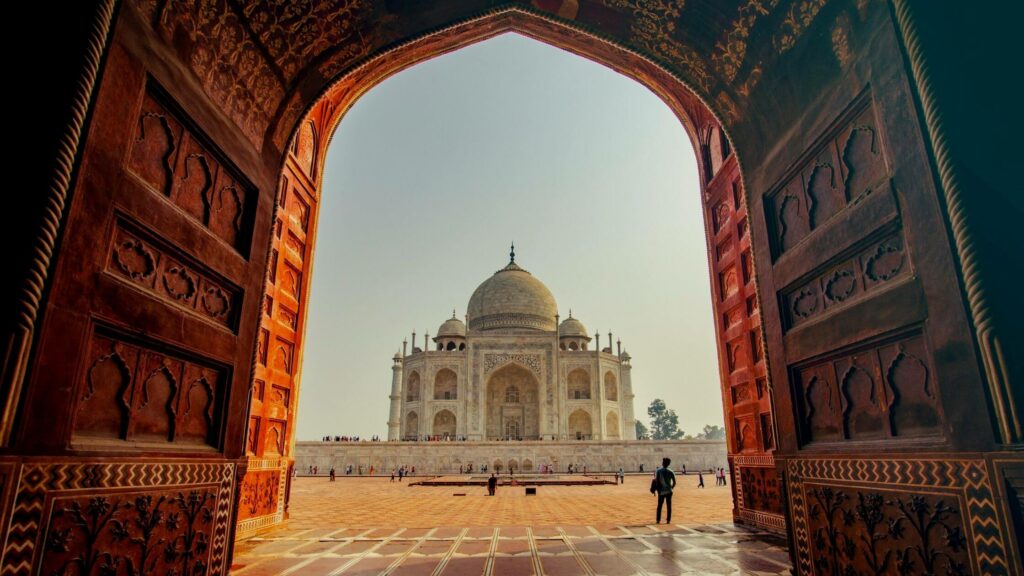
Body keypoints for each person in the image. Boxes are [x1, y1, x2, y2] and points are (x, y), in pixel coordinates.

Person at [654, 457, 676, 524]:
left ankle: (658, 520)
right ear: (669, 464)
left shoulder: (658, 471)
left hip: (661, 491)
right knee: (669, 506)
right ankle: (668, 520)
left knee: (659, 506)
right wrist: (671, 488)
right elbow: (674, 482)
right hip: (669, 491)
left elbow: (657, 482)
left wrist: (657, 490)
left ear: (663, 463)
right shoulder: (671, 471)